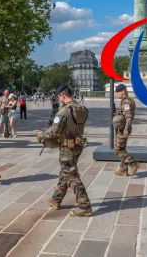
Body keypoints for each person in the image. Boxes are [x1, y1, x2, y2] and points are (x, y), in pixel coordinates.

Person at [37, 84, 92, 217]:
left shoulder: (64, 111)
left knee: (72, 176)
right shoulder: (82, 109)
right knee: (65, 173)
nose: (59, 100)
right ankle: (56, 199)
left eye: (59, 97)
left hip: (67, 148)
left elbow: (54, 132)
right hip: (78, 146)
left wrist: (41, 135)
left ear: (62, 95)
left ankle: (84, 206)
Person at [112, 84, 140, 177]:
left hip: (123, 129)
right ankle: (123, 170)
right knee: (122, 148)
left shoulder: (126, 102)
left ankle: (133, 163)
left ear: (122, 91)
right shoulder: (126, 100)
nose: (116, 94)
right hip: (123, 128)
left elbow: (128, 117)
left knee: (118, 149)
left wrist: (126, 130)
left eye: (117, 92)